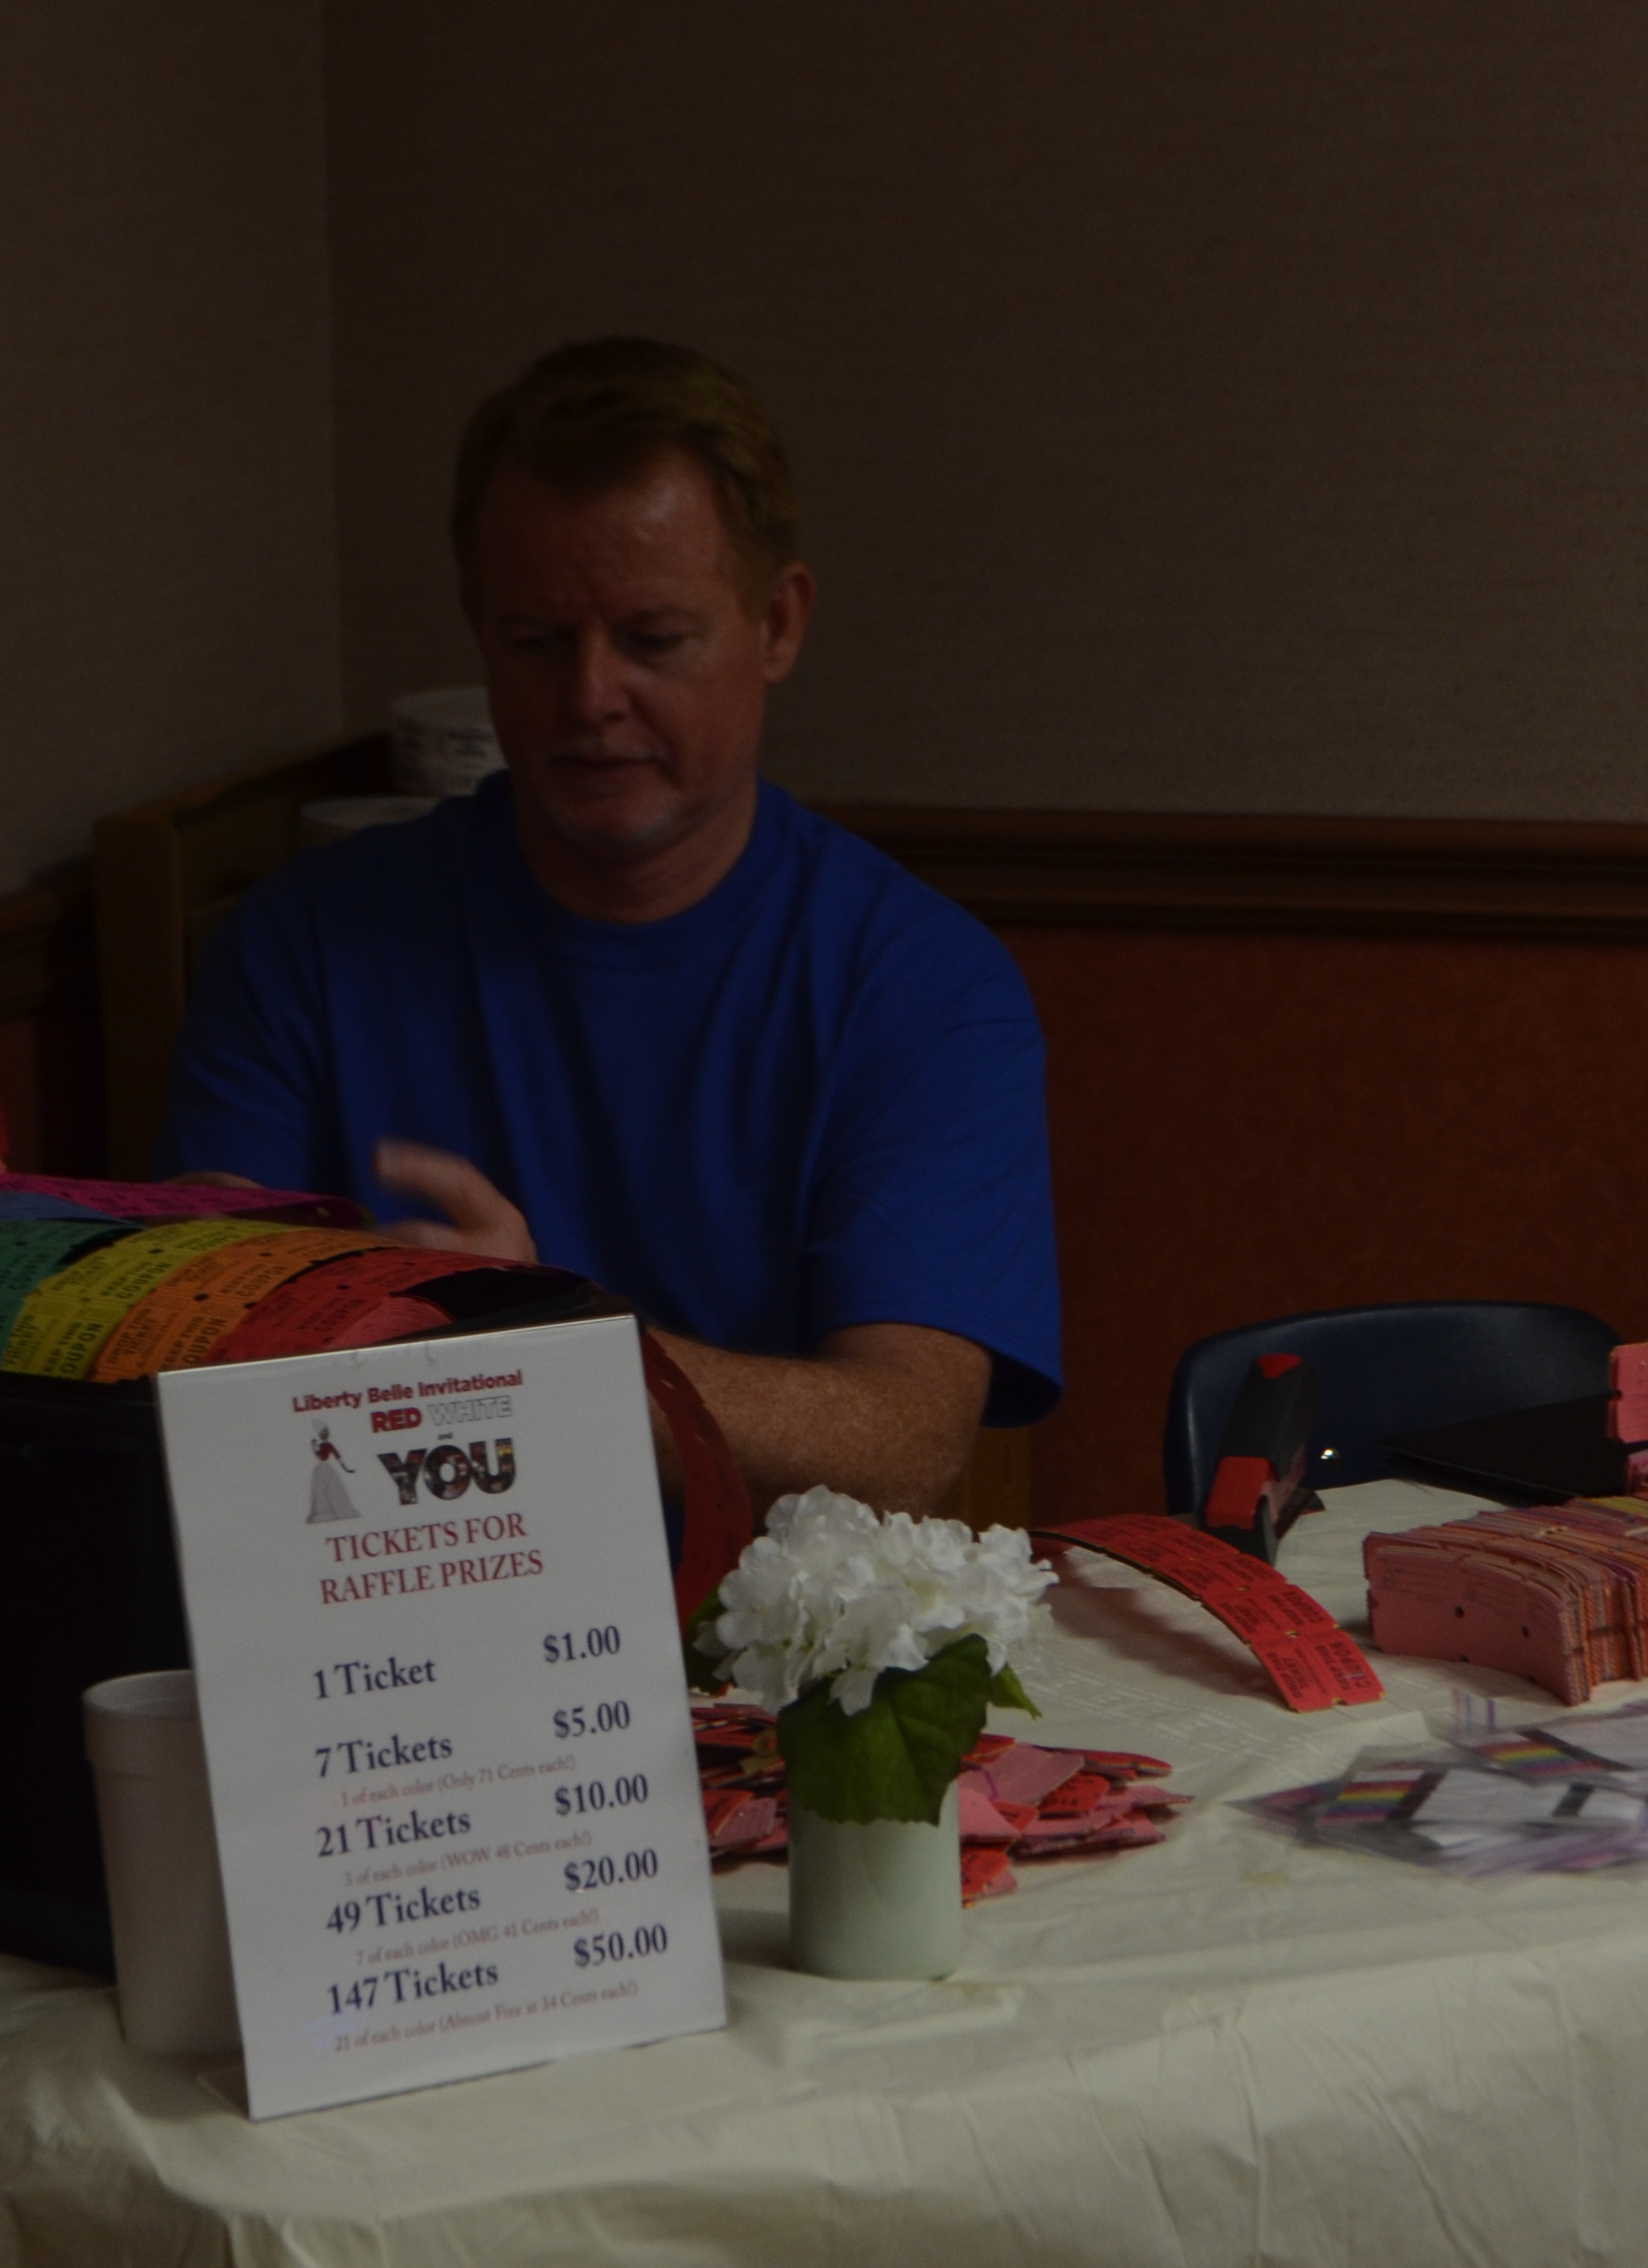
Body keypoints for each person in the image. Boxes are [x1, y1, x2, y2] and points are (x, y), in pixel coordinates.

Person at [155, 338, 1058, 1514]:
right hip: (391, 1583)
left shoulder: (923, 987)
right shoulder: (302, 947)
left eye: (653, 641)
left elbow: (908, 1434)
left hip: (762, 1612)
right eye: (536, 641)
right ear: (479, 628)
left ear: (778, 624)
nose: (588, 698)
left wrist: (551, 1357)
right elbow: (201, 1362)